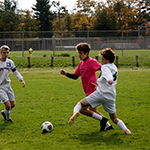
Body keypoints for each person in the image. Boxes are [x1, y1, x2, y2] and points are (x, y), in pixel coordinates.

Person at [68, 48, 131, 134]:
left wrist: (109, 80)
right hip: (111, 96)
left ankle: (75, 113)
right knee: (114, 119)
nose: (101, 61)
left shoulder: (105, 67)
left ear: (107, 59)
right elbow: (107, 78)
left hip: (100, 94)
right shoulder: (114, 67)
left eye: (102, 59)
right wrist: (99, 85)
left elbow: (107, 75)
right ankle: (126, 131)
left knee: (81, 104)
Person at [60, 43, 113, 131]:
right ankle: (108, 125)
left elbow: (104, 70)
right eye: (78, 53)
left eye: (81, 53)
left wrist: (100, 82)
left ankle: (103, 120)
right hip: (88, 91)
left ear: (86, 53)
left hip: (93, 91)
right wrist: (66, 74)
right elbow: (75, 76)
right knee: (93, 110)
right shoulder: (81, 64)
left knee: (82, 109)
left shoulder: (92, 62)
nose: (79, 55)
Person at [0, 45, 25, 122]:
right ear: (1, 53)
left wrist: (21, 80)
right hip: (0, 87)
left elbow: (15, 72)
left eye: (7, 52)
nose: (6, 54)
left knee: (13, 105)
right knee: (8, 105)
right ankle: (8, 119)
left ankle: (5, 112)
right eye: (4, 53)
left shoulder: (10, 62)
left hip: (8, 85)